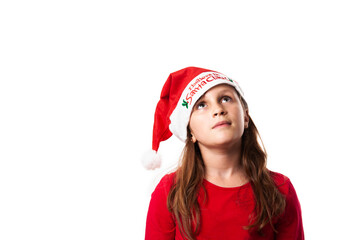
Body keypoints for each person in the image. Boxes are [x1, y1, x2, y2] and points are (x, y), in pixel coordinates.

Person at [143, 67, 304, 240]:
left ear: (246, 117)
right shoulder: (170, 191)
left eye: (225, 98)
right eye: (201, 105)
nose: (218, 109)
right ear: (190, 132)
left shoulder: (279, 189)